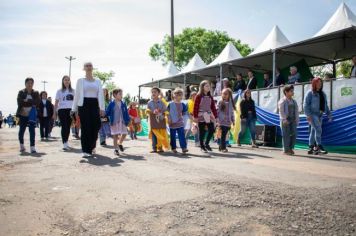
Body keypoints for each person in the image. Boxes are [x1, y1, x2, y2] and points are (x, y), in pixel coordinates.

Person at [72, 62, 105, 158]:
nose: (89, 67)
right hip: (83, 105)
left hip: (94, 104)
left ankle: (92, 145)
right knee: (86, 128)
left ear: (92, 68)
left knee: (96, 125)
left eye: (90, 65)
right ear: (84, 68)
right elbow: (77, 95)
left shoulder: (97, 81)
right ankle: (85, 150)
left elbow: (101, 95)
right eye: (87, 65)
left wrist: (102, 108)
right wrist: (73, 109)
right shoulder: (80, 81)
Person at [304, 77, 332, 155]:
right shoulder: (310, 93)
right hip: (312, 114)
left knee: (313, 131)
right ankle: (319, 146)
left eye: (320, 83)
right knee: (318, 129)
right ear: (314, 84)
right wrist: (308, 115)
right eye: (318, 83)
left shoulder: (323, 94)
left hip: (320, 114)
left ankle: (311, 147)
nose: (319, 84)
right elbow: (306, 105)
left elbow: (325, 105)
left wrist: (329, 114)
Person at [16, 77, 40, 153]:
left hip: (32, 115)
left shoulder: (36, 92)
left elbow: (37, 102)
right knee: (21, 131)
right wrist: (31, 102)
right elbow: (20, 102)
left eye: (31, 83)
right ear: (25, 84)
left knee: (32, 131)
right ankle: (21, 145)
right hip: (23, 114)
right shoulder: (21, 92)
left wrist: (27, 100)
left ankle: (32, 147)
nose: (30, 84)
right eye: (28, 83)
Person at [193, 80, 217, 153]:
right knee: (202, 131)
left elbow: (213, 107)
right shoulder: (198, 96)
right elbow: (195, 107)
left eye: (209, 86)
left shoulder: (210, 96)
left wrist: (216, 116)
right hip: (201, 116)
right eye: (206, 86)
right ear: (202, 87)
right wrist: (195, 117)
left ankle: (206, 143)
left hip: (208, 115)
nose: (208, 87)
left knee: (212, 129)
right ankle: (202, 146)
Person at [106, 88, 130, 156]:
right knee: (115, 136)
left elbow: (126, 113)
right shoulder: (111, 104)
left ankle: (119, 143)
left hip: (122, 121)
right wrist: (103, 114)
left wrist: (128, 120)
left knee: (125, 133)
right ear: (114, 95)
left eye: (122, 94)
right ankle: (116, 149)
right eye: (120, 94)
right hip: (114, 122)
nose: (121, 95)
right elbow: (107, 112)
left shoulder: (123, 103)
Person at [54, 75, 75, 150]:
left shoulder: (73, 91)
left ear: (70, 81)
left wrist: (76, 111)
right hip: (62, 110)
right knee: (64, 126)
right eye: (65, 80)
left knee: (68, 127)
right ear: (63, 81)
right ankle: (64, 143)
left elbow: (75, 102)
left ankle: (66, 141)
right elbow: (56, 102)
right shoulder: (59, 91)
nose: (67, 81)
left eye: (68, 80)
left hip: (70, 111)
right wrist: (54, 113)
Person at [146, 87, 169, 153]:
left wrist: (161, 113)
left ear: (159, 93)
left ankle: (160, 147)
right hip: (153, 120)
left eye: (155, 92)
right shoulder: (149, 102)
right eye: (152, 92)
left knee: (160, 132)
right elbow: (147, 111)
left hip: (161, 119)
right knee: (153, 133)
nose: (153, 93)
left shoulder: (162, 102)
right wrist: (152, 111)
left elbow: (166, 110)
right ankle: (154, 148)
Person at [278, 85, 299, 155]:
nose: (293, 92)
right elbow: (281, 111)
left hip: (292, 120)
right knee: (286, 135)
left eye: (293, 91)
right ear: (286, 92)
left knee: (294, 133)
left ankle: (290, 148)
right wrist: (284, 119)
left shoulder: (294, 101)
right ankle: (286, 150)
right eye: (291, 91)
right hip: (285, 120)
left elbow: (296, 111)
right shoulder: (282, 100)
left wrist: (297, 120)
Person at [167, 88, 188, 154]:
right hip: (172, 123)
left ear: (182, 96)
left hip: (180, 123)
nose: (177, 95)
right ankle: (173, 148)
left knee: (181, 135)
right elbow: (167, 113)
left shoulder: (183, 104)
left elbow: (185, 114)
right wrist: (169, 119)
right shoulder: (170, 104)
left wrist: (187, 122)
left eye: (179, 94)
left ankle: (184, 148)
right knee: (172, 136)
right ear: (173, 95)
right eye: (175, 94)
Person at [217, 88, 235, 152]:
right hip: (222, 122)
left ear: (229, 95)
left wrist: (233, 120)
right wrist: (217, 120)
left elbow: (232, 113)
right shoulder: (220, 102)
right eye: (223, 94)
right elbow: (217, 111)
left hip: (228, 122)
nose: (224, 95)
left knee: (224, 135)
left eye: (226, 94)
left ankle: (220, 146)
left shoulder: (230, 103)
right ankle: (223, 148)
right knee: (223, 135)